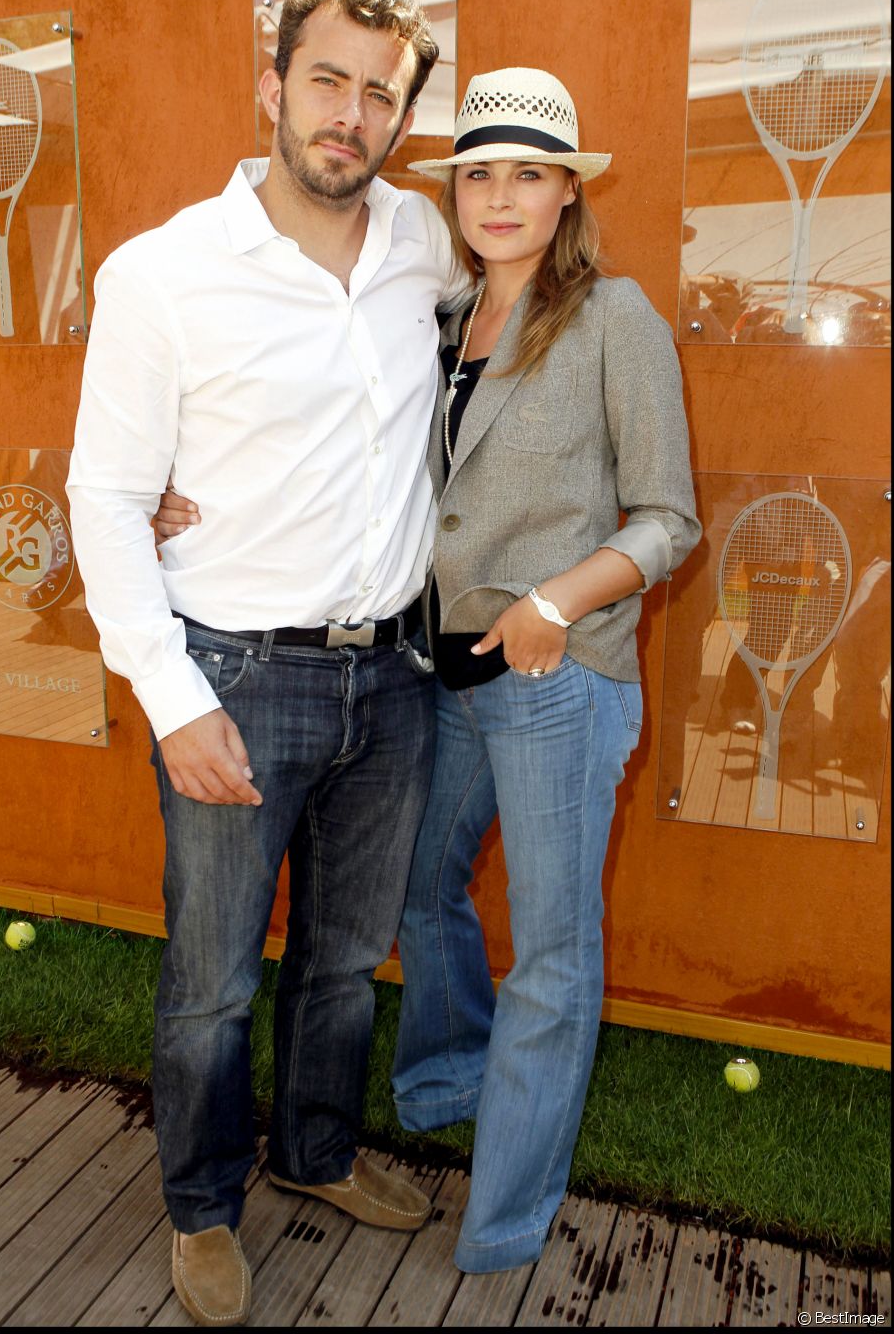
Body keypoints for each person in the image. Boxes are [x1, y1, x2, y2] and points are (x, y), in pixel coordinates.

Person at [154, 67, 701, 1275]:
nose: (500, 196)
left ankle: (504, 1213)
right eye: (478, 173)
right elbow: (332, 441)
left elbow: (668, 519)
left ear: (567, 194)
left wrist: (559, 598)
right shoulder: (435, 312)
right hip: (434, 672)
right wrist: (176, 496)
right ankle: (447, 1075)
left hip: (560, 679)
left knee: (553, 955)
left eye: (529, 174)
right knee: (414, 890)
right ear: (453, 191)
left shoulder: (618, 319)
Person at [66, 0, 470, 1328]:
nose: (348, 115)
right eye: (326, 80)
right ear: (270, 86)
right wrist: (172, 698)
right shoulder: (163, 272)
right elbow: (109, 499)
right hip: (234, 674)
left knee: (348, 960)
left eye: (378, 92)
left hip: (395, 677)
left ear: (400, 115)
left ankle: (313, 1155)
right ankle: (201, 1209)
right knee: (210, 981)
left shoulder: (427, 241)